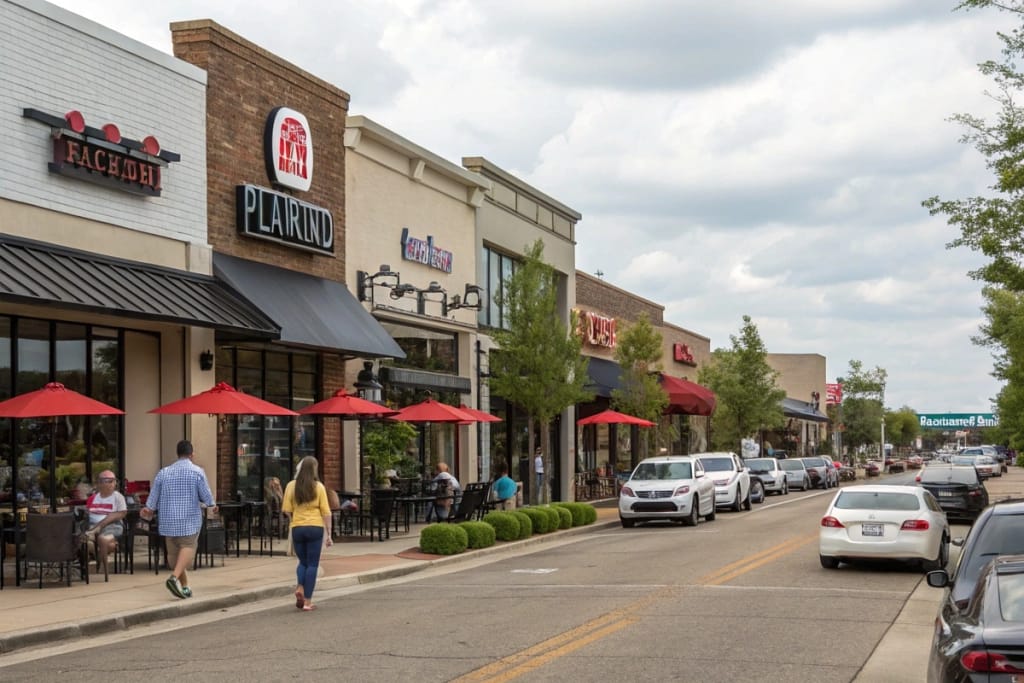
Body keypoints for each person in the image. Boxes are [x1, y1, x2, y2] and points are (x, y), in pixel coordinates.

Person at [140, 440, 216, 600]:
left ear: (177, 454)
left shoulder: (164, 472)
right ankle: (173, 579)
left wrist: (149, 509)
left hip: (167, 521)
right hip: (189, 520)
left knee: (175, 558)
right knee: (187, 548)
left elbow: (152, 498)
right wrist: (212, 505)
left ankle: (186, 587)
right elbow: (206, 496)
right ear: (192, 454)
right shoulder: (197, 472)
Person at [282, 455, 332, 611]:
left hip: (298, 527)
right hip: (315, 527)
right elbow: (326, 512)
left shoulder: (291, 486)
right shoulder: (319, 487)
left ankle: (300, 587)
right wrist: (329, 533)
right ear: (314, 469)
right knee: (312, 564)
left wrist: (293, 521)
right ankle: (307, 601)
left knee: (302, 562)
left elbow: (286, 509)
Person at [84, 470, 127, 570]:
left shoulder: (118, 497)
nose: (113, 483)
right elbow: (87, 513)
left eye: (114, 481)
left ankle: (98, 553)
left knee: (103, 539)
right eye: (109, 481)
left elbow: (122, 513)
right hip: (92, 525)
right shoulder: (93, 498)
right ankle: (98, 552)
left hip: (113, 526)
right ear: (100, 483)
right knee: (107, 544)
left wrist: (101, 525)